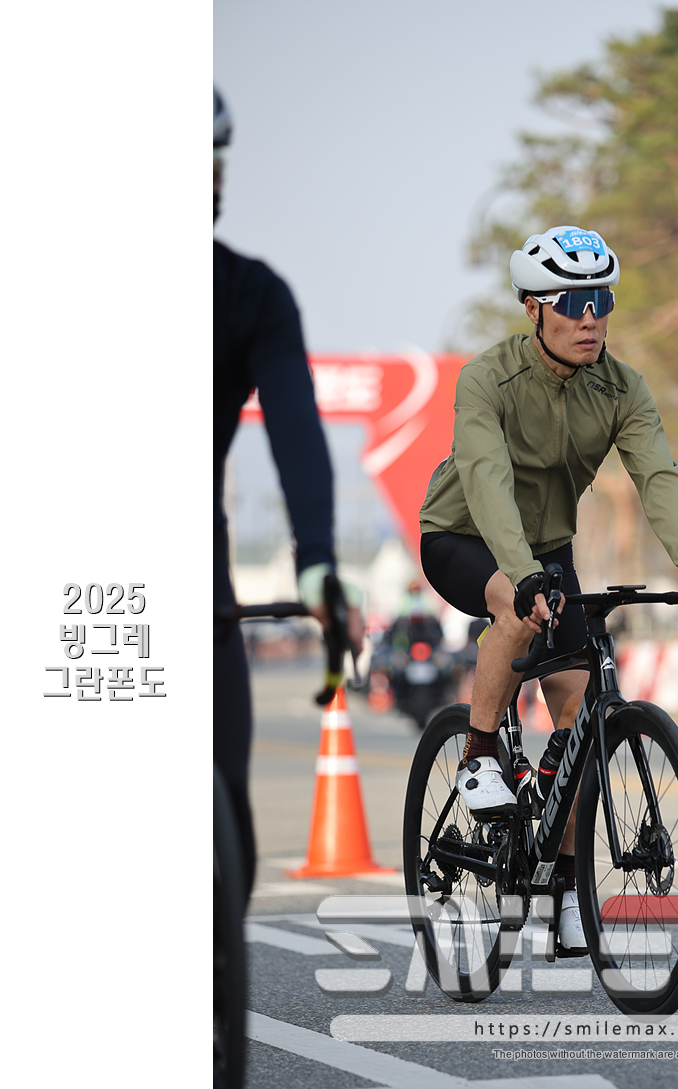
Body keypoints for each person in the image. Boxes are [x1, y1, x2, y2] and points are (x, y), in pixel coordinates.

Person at [418, 224, 678, 950]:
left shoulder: (622, 388)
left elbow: (659, 478)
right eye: (571, 302)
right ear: (534, 308)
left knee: (578, 715)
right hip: (464, 536)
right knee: (513, 610)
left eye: (601, 300)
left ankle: (565, 884)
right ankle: (477, 758)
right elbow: (488, 482)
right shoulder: (486, 380)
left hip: (548, 550)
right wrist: (521, 575)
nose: (590, 318)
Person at [214, 87, 363, 896]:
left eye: (214, 159)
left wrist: (318, 566)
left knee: (225, 803)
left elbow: (297, 433)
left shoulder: (251, 295)